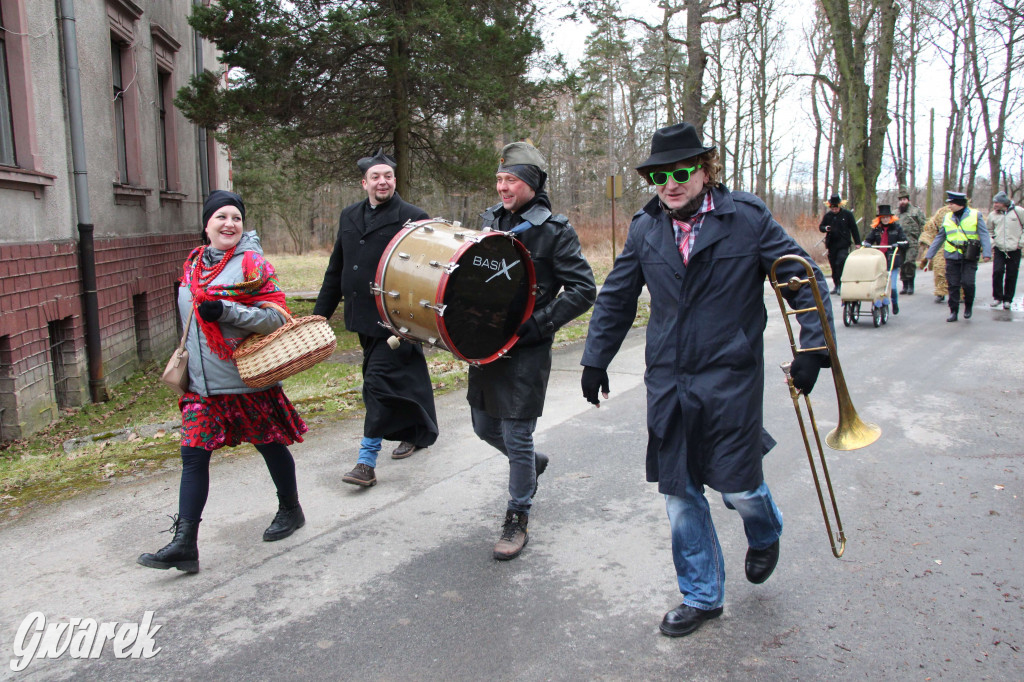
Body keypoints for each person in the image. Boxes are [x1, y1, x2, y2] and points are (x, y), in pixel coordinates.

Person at [580, 122, 834, 638]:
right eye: (657, 175)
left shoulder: (747, 219)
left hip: (730, 376)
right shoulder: (645, 227)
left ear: (704, 170)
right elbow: (616, 296)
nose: (669, 184)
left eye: (679, 172)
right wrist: (595, 358)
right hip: (669, 381)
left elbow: (801, 276)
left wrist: (813, 348)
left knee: (738, 485)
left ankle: (765, 528)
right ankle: (701, 595)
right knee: (679, 491)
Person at [138, 190, 308, 574]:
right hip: (203, 388)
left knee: (270, 446)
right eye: (221, 217)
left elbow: (277, 317)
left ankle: (291, 509)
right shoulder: (194, 264)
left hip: (246, 380)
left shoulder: (252, 264)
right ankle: (185, 544)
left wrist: (227, 310)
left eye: (236, 217)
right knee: (193, 458)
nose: (229, 224)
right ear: (207, 224)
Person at [471, 141, 596, 561]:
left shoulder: (555, 230)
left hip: (527, 346)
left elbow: (583, 289)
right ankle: (531, 462)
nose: (503, 187)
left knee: (515, 433)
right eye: (500, 179)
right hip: (486, 341)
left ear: (531, 183)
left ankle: (517, 516)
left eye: (511, 180)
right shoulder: (489, 220)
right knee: (483, 426)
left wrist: (539, 323)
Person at [314, 149, 439, 487]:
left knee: (377, 381)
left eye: (388, 176)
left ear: (394, 181)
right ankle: (416, 430)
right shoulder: (349, 215)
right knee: (405, 375)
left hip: (397, 317)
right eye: (375, 177)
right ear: (364, 182)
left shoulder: (413, 217)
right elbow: (336, 267)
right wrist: (318, 316)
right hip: (361, 315)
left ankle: (366, 462)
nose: (382, 182)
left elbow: (426, 269)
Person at [921, 191, 993, 322]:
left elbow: (984, 234)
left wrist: (987, 253)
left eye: (952, 203)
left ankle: (968, 306)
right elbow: (940, 236)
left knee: (968, 283)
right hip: (951, 255)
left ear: (960, 204)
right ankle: (953, 311)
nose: (949, 206)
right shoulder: (948, 217)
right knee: (953, 284)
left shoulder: (975, 215)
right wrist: (930, 254)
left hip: (969, 255)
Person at [861, 204, 909, 314]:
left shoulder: (897, 228)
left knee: (892, 285)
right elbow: (868, 239)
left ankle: (894, 302)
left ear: (890, 217)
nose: (885, 219)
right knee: (878, 285)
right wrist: (867, 243)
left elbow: (905, 242)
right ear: (880, 218)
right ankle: (879, 303)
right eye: (883, 217)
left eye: (887, 217)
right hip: (879, 261)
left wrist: (898, 244)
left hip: (893, 260)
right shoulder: (876, 229)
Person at [987, 191, 1023, 310]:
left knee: (1011, 274)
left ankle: (1008, 299)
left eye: (997, 202)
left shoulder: (1018, 212)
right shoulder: (993, 215)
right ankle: (997, 297)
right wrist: (993, 243)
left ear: (1004, 203)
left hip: (1014, 248)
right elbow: (989, 231)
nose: (995, 205)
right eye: (994, 202)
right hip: (999, 248)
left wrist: (1021, 243)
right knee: (997, 272)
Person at [818, 193, 860, 295]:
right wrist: (825, 228)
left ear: (839, 206)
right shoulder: (828, 216)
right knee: (833, 265)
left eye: (836, 207)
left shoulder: (847, 215)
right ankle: (836, 284)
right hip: (832, 245)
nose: (834, 209)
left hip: (843, 244)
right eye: (832, 207)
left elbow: (854, 229)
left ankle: (841, 284)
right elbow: (821, 227)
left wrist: (858, 242)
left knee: (840, 262)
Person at [919, 205, 953, 303]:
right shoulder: (939, 215)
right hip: (940, 246)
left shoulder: (962, 215)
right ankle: (940, 291)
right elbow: (929, 230)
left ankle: (960, 292)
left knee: (958, 271)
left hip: (957, 246)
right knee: (939, 269)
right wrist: (926, 242)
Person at [896, 187, 926, 294]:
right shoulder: (896, 213)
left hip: (912, 241)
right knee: (902, 263)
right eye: (901, 200)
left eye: (904, 199)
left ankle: (910, 284)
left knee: (909, 262)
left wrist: (923, 239)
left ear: (908, 200)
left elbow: (924, 225)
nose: (902, 202)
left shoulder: (915, 211)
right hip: (899, 243)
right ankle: (904, 285)